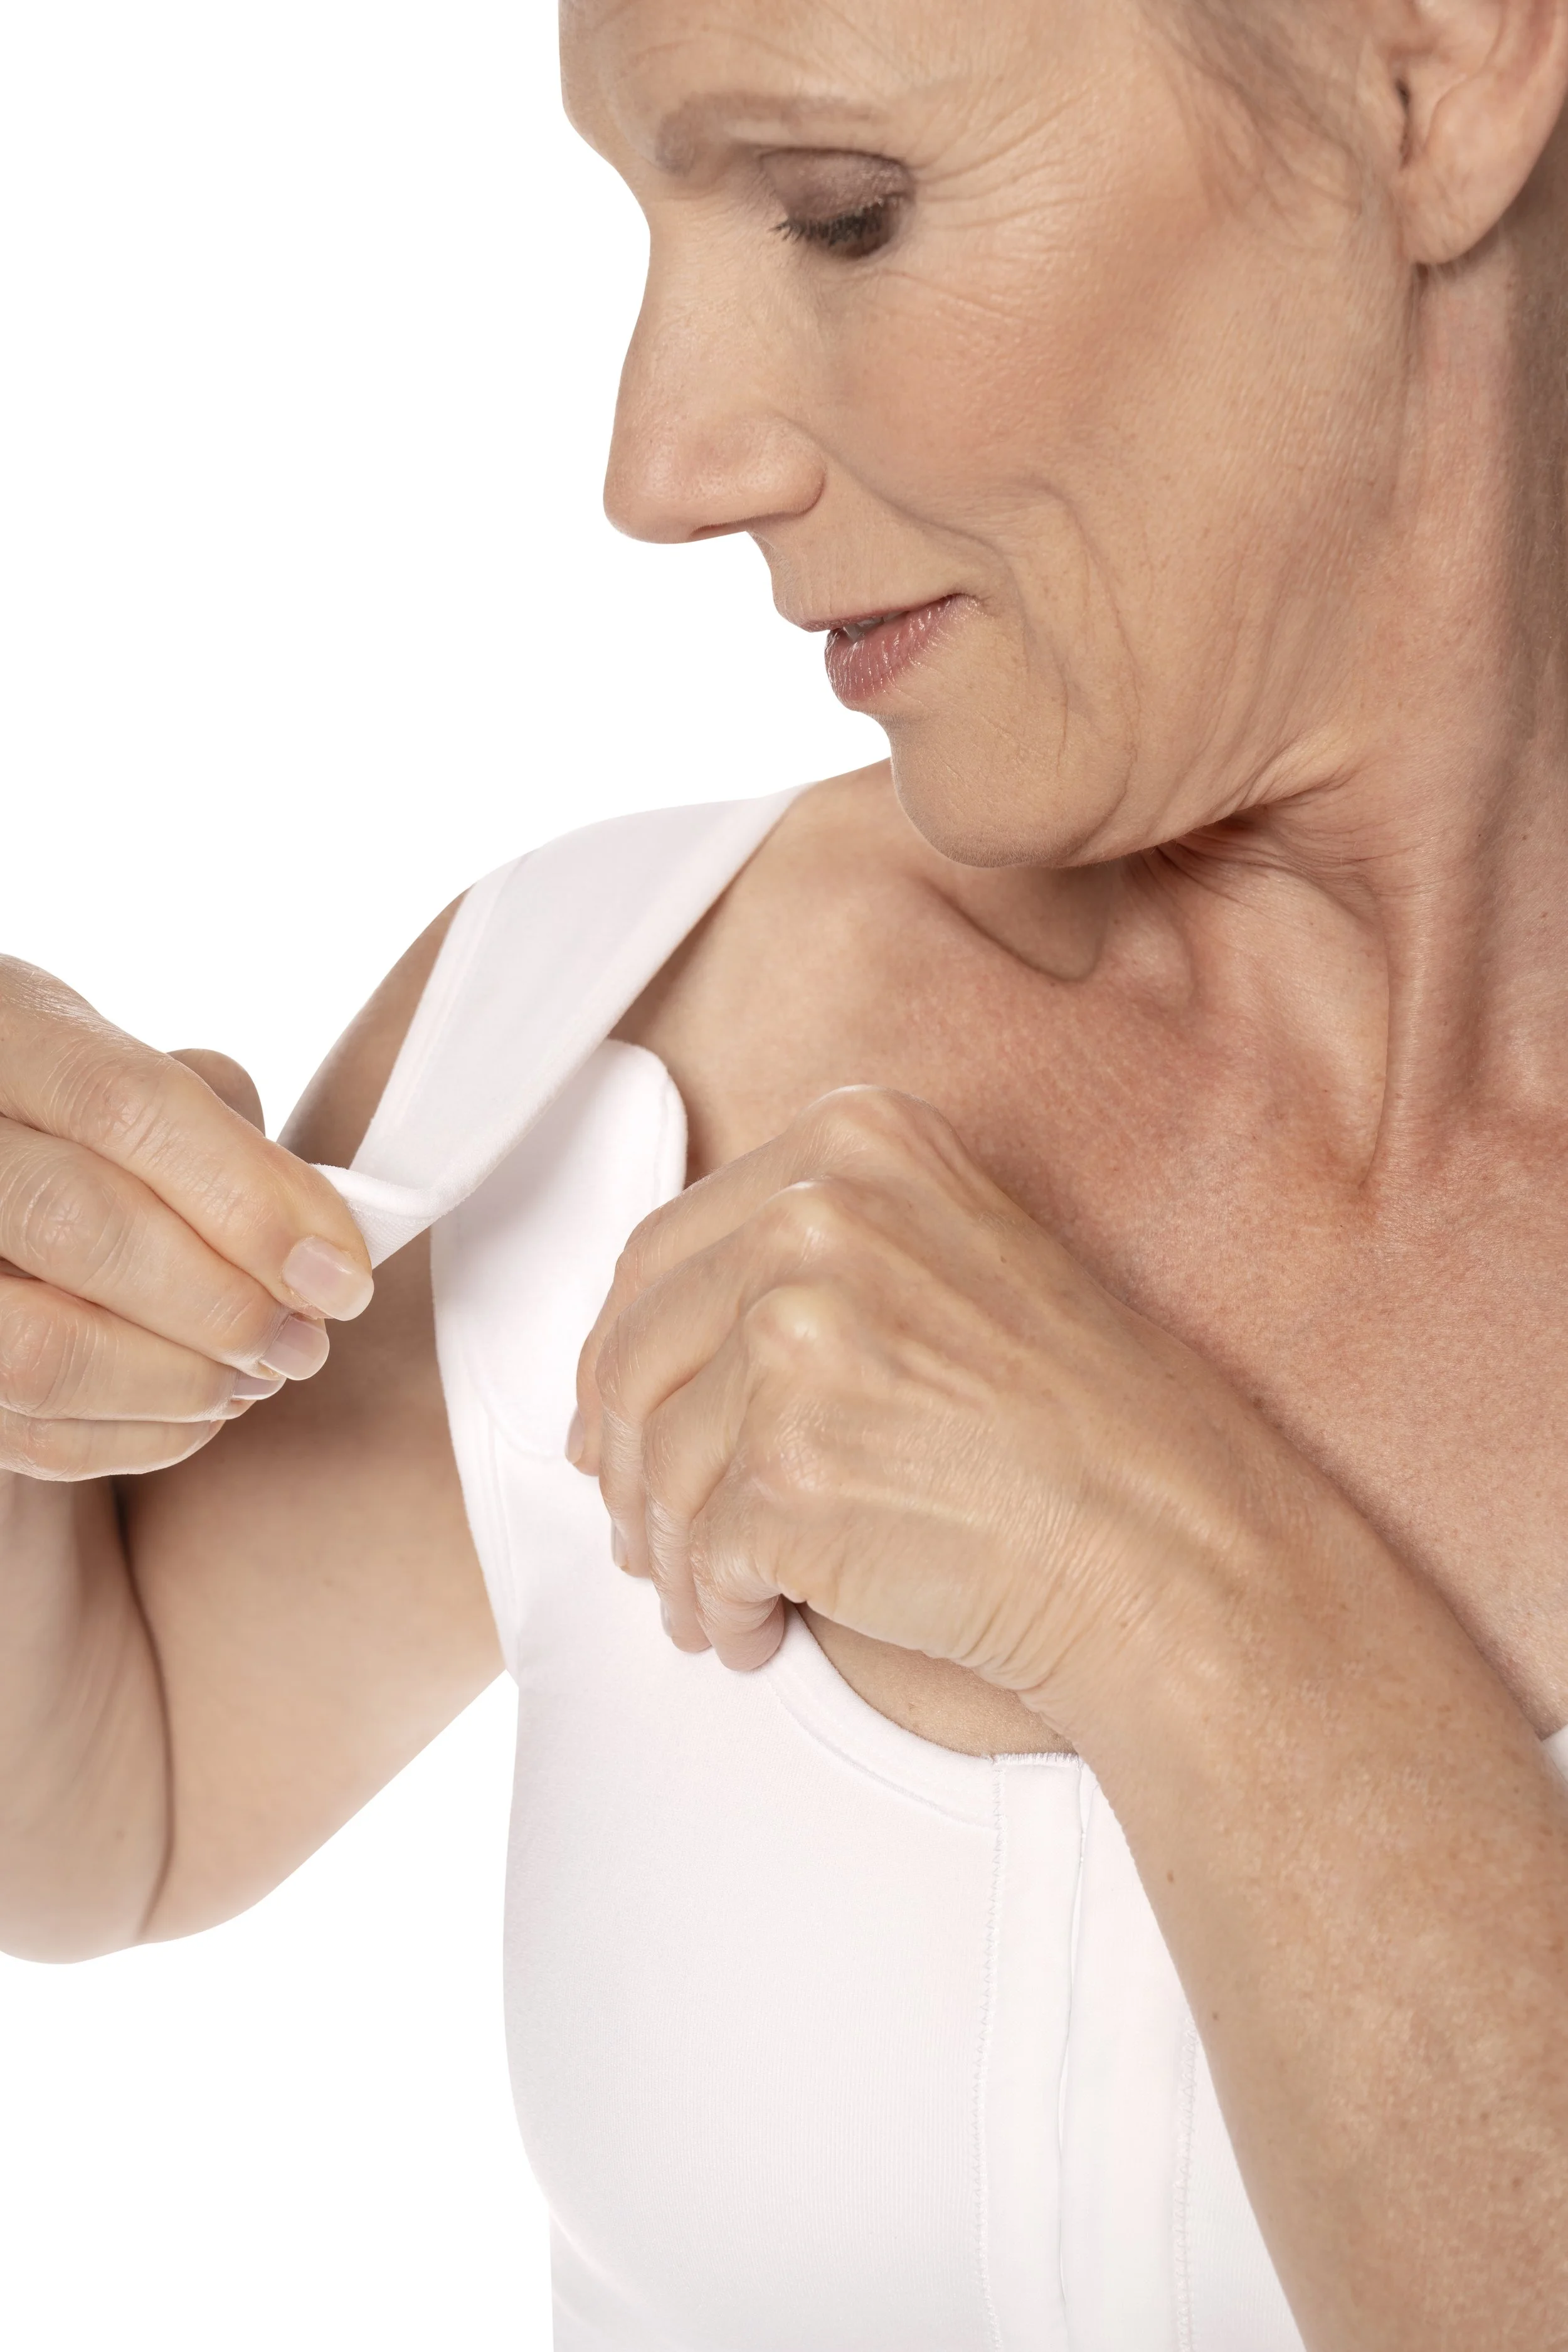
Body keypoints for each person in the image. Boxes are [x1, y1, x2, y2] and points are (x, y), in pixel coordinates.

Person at [4, 0, 1568, 2341]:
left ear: (1432, 68)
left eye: (844, 210)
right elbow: (103, 1789)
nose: (656, 462)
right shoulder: (616, 1013)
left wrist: (1172, 1587)